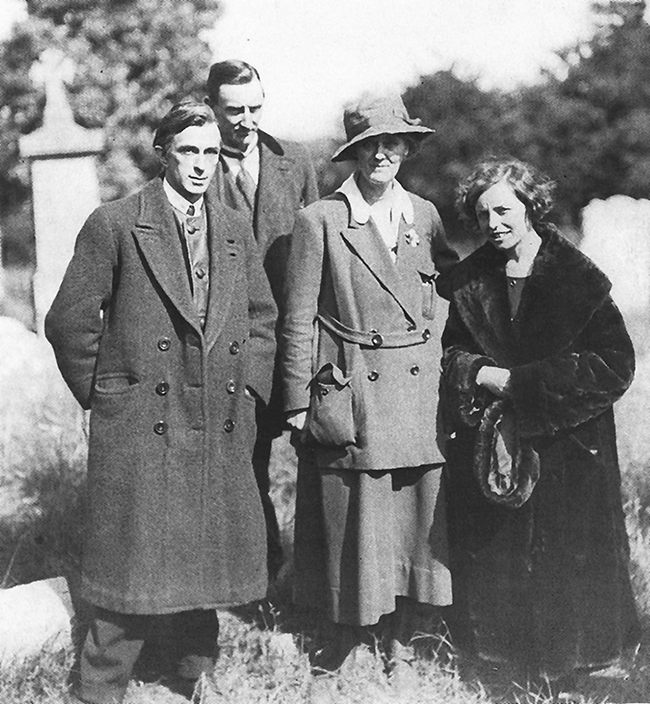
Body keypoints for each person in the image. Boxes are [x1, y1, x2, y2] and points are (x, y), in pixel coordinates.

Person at [45, 101, 277, 704]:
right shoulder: (117, 223)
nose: (202, 165)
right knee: (133, 560)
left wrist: (249, 391)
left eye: (211, 152)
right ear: (164, 152)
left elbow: (261, 320)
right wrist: (109, 395)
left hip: (217, 420)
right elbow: (70, 322)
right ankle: (100, 687)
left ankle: (188, 673)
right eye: (189, 151)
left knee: (204, 557)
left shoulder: (231, 228)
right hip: (143, 421)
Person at [441, 157, 639, 695]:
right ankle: (504, 666)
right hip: (497, 445)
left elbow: (614, 363)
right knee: (501, 552)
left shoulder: (578, 278)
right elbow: (449, 352)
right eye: (483, 215)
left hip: (572, 447)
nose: (494, 224)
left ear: (530, 206)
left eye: (504, 210)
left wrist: (521, 384)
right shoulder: (465, 281)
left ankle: (581, 667)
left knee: (570, 557)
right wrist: (480, 372)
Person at [281, 93, 459, 692]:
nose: (384, 154)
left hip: (417, 390)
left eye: (394, 143)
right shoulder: (320, 221)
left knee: (414, 518)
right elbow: (297, 319)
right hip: (355, 385)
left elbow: (447, 291)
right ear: (354, 153)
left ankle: (403, 641)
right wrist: (297, 402)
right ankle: (352, 640)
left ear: (408, 148)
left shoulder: (425, 214)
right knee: (354, 521)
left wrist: (436, 344)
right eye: (371, 145)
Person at [206, 60, 319, 580]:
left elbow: (322, 249)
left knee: (315, 463)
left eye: (256, 107)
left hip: (294, 343)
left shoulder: (293, 162)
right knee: (242, 466)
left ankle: (317, 580)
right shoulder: (194, 166)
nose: (247, 120)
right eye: (234, 111)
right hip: (232, 346)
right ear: (212, 109)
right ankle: (260, 574)